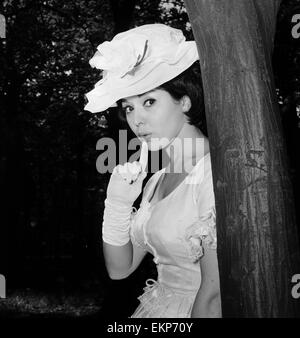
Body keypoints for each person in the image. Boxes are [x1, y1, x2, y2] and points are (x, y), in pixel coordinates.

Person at [85, 23, 221, 318]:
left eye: (149, 101)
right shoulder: (155, 180)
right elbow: (120, 268)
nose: (137, 120)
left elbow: (214, 297)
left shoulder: (215, 174)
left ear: (184, 101)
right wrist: (118, 204)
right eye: (129, 107)